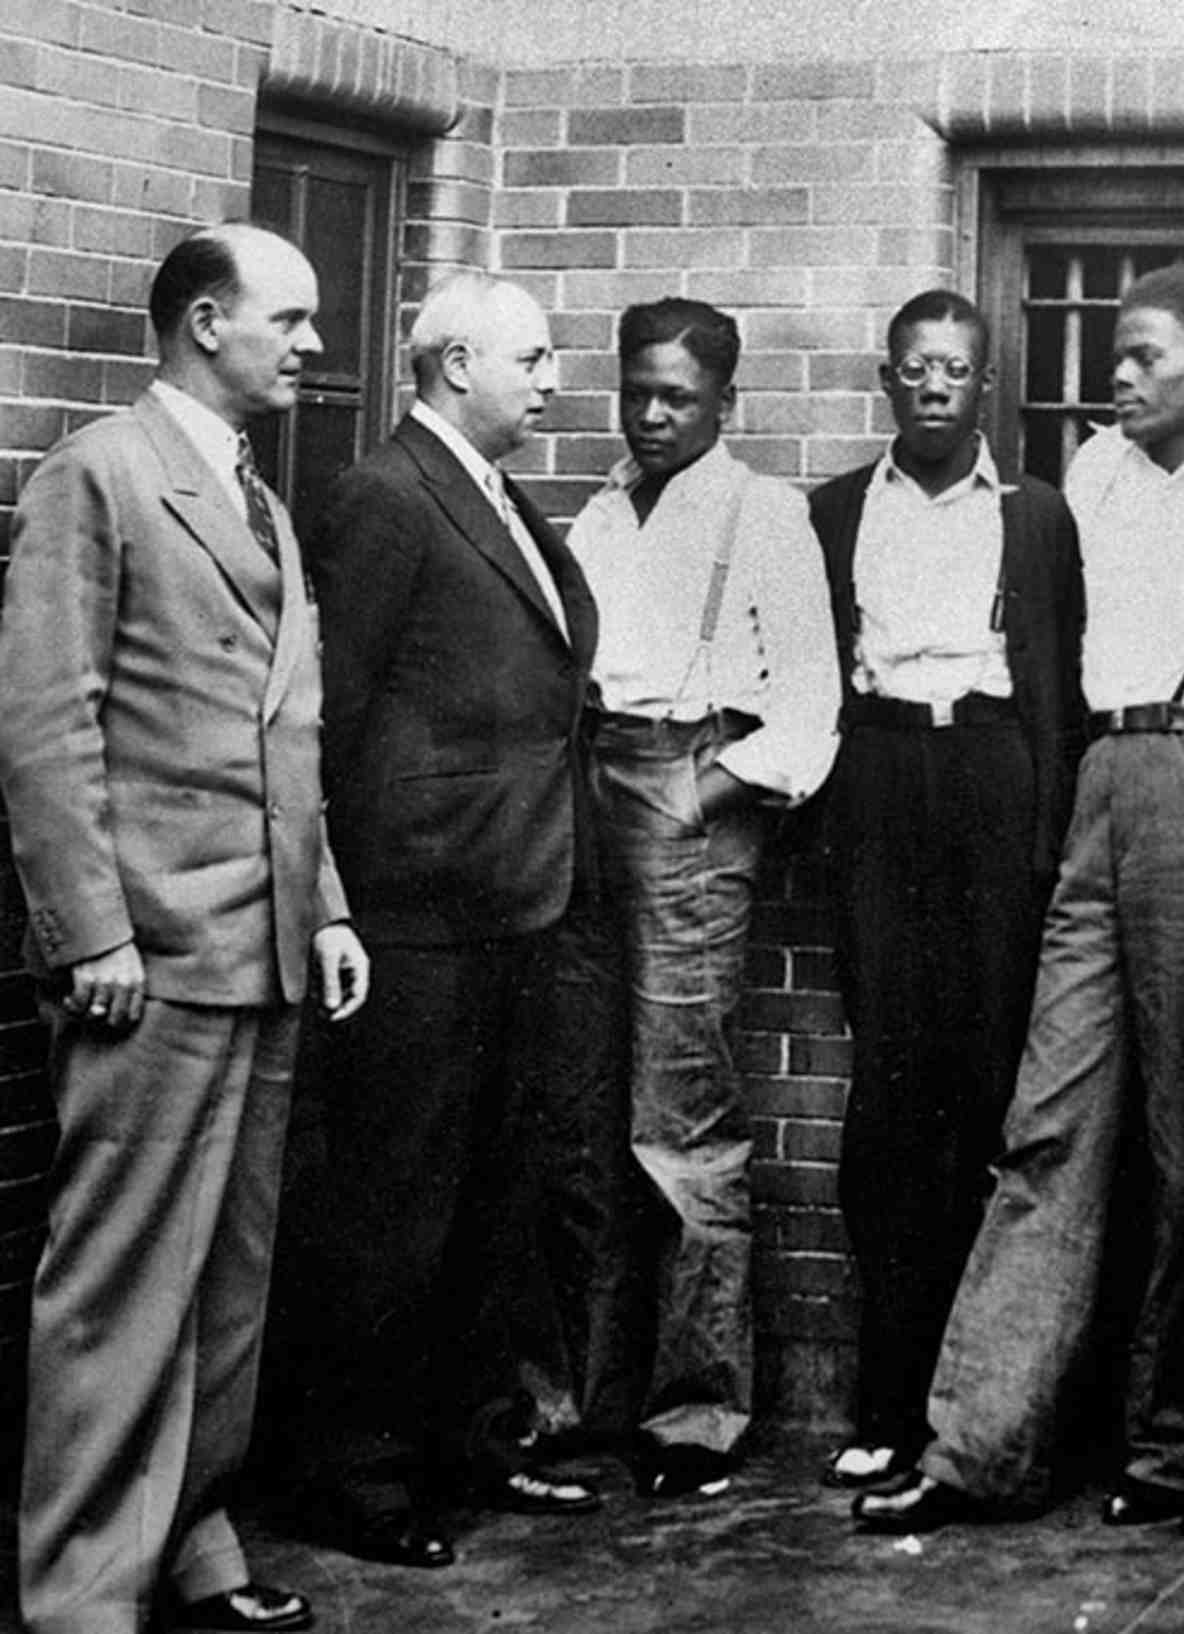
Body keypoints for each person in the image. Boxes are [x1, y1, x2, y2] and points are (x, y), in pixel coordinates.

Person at [856, 268, 1184, 1534]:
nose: (1119, 378)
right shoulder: (1089, 477)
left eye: (1144, 356)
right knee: (1050, 1116)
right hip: (1099, 772)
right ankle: (979, 1440)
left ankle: (1179, 1440)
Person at [0, 222, 369, 1634]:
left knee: (226, 1282)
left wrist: (324, 905)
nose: (314, 344)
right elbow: (46, 720)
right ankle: (83, 1591)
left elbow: (290, 731)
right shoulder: (101, 475)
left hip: (261, 949)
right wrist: (91, 931)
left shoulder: (261, 503)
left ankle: (192, 1540)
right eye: (291, 318)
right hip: (148, 965)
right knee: (116, 1286)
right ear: (206, 322)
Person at [292, 269, 605, 1567]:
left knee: (490, 1194)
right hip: (418, 913)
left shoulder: (485, 486)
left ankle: (469, 1447)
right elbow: (337, 714)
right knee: (397, 1201)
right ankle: (361, 1482)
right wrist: (342, 900)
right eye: (530, 357)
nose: (550, 379)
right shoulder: (386, 495)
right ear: (455, 360)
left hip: (515, 901)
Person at [553, 297, 843, 1499]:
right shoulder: (603, 509)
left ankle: (698, 1409)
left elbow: (813, 708)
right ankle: (578, 1397)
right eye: (638, 391)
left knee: (680, 1117)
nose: (653, 413)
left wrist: (704, 790)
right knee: (579, 1104)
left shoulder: (766, 515)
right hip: (585, 791)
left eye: (678, 394)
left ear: (729, 401)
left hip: (690, 790)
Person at [812, 289, 1085, 1489]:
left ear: (985, 387)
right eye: (916, 367)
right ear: (887, 379)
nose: (935, 386)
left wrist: (1038, 837)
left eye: (957, 370)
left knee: (986, 1089)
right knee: (888, 1096)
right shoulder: (830, 512)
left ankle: (973, 1411)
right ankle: (884, 1393)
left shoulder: (1037, 516)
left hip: (987, 774)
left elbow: (1058, 692)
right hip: (879, 773)